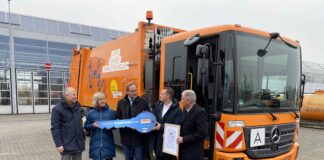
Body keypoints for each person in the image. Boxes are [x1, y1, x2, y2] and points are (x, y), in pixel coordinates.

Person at [116, 82, 150, 160]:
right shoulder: (120, 103)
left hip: (139, 137)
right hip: (126, 136)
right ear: (127, 92)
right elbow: (119, 118)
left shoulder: (143, 102)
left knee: (138, 158)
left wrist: (139, 125)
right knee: (128, 158)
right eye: (132, 91)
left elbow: (148, 118)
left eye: (136, 90)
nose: (135, 92)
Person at [51, 87, 85, 160]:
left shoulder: (78, 107)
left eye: (76, 94)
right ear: (66, 95)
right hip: (65, 145)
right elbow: (55, 128)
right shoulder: (57, 109)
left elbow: (82, 124)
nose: (76, 96)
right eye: (73, 95)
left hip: (78, 144)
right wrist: (59, 144)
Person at [176, 90, 208, 160]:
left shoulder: (200, 112)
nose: (181, 101)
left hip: (193, 153)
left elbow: (202, 133)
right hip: (183, 152)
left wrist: (184, 139)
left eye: (182, 99)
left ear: (188, 100)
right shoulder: (185, 109)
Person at [152, 87, 183, 160]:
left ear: (168, 96)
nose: (160, 95)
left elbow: (177, 125)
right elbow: (153, 118)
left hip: (169, 143)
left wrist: (161, 127)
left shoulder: (177, 110)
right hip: (157, 141)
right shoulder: (158, 106)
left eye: (162, 94)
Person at [85, 92, 116, 160]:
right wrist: (93, 125)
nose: (103, 101)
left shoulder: (111, 112)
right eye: (100, 99)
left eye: (104, 99)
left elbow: (115, 126)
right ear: (96, 101)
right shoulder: (91, 113)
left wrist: (111, 126)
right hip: (95, 145)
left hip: (108, 145)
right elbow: (86, 126)